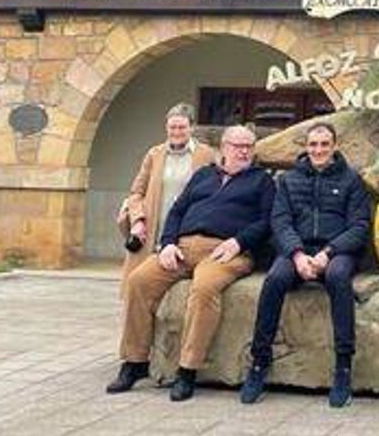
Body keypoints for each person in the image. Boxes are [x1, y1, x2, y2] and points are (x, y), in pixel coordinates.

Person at [106, 125, 275, 401]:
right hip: (183, 247)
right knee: (139, 281)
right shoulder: (204, 175)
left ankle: (188, 369)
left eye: (249, 146)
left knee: (204, 287)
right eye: (238, 145)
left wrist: (239, 242)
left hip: (227, 251)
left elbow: (267, 222)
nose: (244, 151)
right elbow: (177, 210)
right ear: (224, 147)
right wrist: (168, 242)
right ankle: (134, 362)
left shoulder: (262, 181)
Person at [240, 121, 371, 408]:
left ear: (334, 146)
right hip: (297, 250)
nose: (319, 150)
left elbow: (360, 226)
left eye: (324, 144)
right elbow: (280, 221)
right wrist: (297, 254)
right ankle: (260, 362)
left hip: (336, 252)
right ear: (306, 147)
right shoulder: (288, 180)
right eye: (313, 145)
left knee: (338, 279)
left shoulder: (351, 180)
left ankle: (343, 367)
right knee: (274, 279)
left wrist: (328, 252)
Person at [116, 103, 216, 291]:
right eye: (172, 127)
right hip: (153, 229)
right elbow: (136, 192)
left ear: (192, 128)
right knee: (139, 286)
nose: (176, 132)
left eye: (182, 127)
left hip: (186, 231)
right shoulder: (154, 154)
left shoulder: (207, 156)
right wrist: (138, 220)